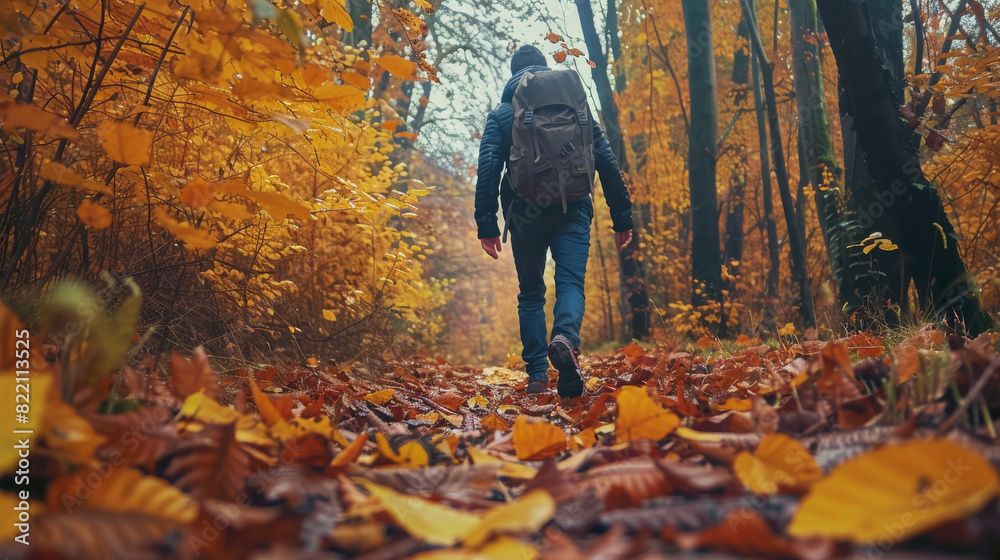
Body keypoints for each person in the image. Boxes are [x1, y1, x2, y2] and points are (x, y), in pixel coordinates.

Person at [474, 44, 634, 398]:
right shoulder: (576, 108)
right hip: (574, 207)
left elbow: (488, 167)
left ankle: (536, 376)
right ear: (543, 70)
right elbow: (604, 157)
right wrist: (622, 216)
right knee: (570, 283)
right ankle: (565, 339)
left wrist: (487, 225)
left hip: (524, 211)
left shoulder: (503, 112)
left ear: (514, 74)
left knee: (531, 293)